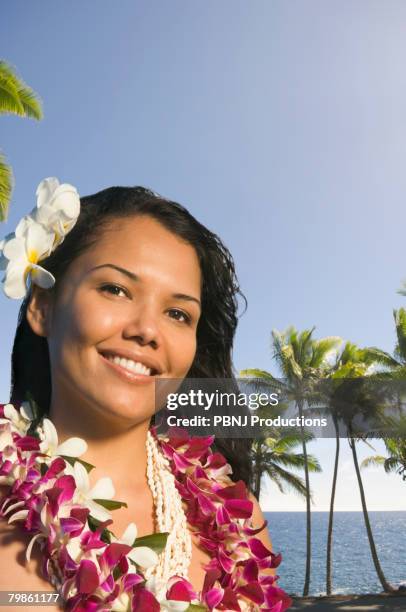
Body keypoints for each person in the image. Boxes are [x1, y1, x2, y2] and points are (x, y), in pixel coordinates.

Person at [0, 179, 291, 611]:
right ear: (43, 306)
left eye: (177, 314)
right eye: (115, 289)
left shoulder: (239, 519)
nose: (148, 331)